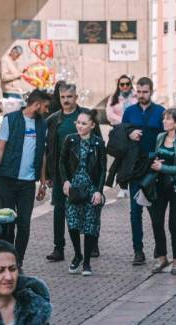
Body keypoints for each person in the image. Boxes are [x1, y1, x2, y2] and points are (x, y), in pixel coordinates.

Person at [0, 89, 52, 263]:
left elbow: (42, 154)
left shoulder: (42, 124)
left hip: (27, 184)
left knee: (24, 224)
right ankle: (7, 259)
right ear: (37, 104)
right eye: (46, 106)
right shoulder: (10, 120)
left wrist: (42, 182)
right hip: (6, 180)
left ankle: (18, 261)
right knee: (7, 222)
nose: (47, 110)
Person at [45, 83, 101, 263]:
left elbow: (98, 142)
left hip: (85, 170)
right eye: (62, 97)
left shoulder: (85, 116)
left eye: (69, 97)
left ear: (76, 97)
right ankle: (58, 248)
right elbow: (49, 149)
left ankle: (92, 244)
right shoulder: (54, 119)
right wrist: (48, 175)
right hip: (62, 172)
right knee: (60, 210)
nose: (66, 100)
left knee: (88, 208)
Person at [122, 77, 166, 266]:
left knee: (155, 210)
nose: (141, 95)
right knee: (135, 211)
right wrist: (128, 133)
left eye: (145, 92)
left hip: (153, 167)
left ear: (151, 91)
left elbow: (168, 136)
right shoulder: (129, 112)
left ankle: (159, 247)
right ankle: (138, 250)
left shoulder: (160, 112)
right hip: (134, 167)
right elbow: (120, 134)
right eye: (138, 92)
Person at [147, 108, 176, 276]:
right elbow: (156, 156)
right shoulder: (160, 137)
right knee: (156, 222)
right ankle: (161, 257)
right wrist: (155, 161)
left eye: (168, 119)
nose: (164, 121)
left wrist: (162, 167)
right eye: (164, 119)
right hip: (159, 186)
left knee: (174, 224)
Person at [59, 109, 106, 276]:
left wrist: (99, 191)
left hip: (92, 187)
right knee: (72, 222)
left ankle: (86, 261)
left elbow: (102, 169)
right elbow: (62, 162)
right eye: (78, 122)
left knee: (90, 224)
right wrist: (65, 181)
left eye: (84, 123)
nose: (79, 126)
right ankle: (77, 254)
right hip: (74, 187)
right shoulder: (70, 140)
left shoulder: (99, 143)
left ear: (92, 125)